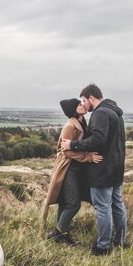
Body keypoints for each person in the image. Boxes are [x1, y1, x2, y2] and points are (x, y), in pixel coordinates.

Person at [61, 84, 128, 255]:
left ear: (91, 98)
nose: (84, 104)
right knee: (117, 205)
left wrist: (73, 144)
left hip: (102, 169)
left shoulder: (100, 113)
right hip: (116, 167)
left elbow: (98, 140)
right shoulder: (116, 113)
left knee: (103, 207)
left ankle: (103, 246)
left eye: (84, 100)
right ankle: (121, 240)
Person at [43, 98, 102, 245]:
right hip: (69, 168)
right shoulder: (70, 125)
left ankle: (61, 235)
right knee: (73, 203)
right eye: (79, 104)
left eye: (81, 103)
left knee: (64, 202)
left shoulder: (82, 121)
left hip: (77, 168)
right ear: (73, 110)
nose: (82, 105)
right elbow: (66, 152)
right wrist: (88, 157)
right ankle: (58, 233)